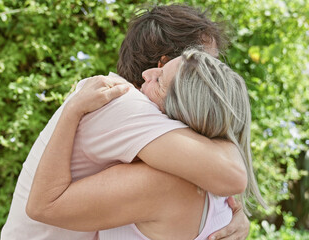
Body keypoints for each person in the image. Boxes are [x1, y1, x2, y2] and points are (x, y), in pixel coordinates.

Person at [1, 4, 251, 240]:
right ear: (164, 64)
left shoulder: (139, 110)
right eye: (207, 62)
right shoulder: (124, 104)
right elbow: (232, 174)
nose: (215, 74)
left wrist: (228, 215)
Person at [26, 48, 266, 240]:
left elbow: (44, 206)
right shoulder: (214, 181)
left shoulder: (160, 183)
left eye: (159, 81)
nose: (146, 74)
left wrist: (73, 109)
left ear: (182, 111)